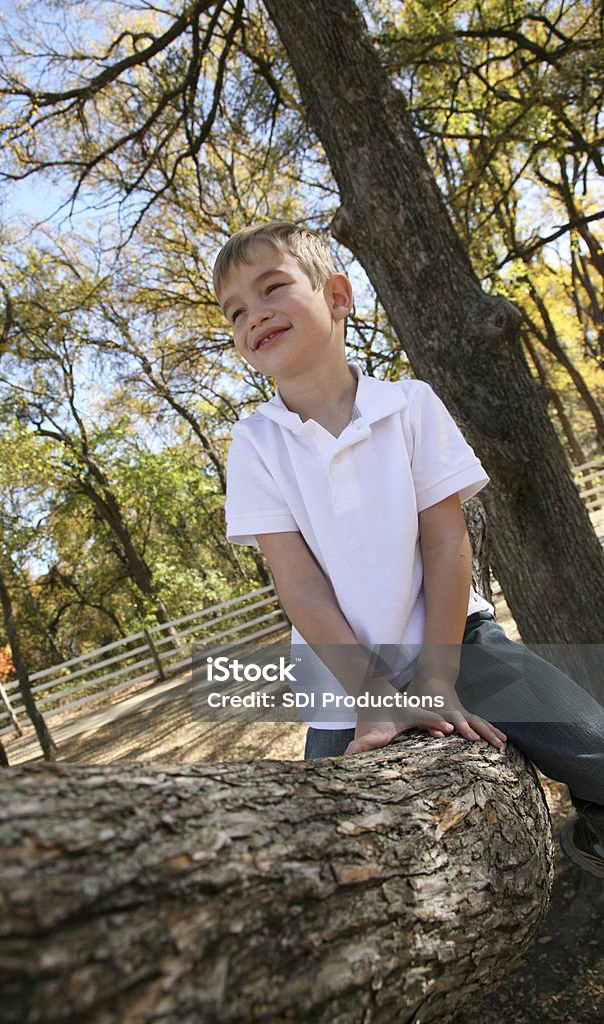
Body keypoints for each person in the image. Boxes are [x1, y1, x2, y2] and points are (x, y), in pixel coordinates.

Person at [214, 220, 604, 878]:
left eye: (271, 289)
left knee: (594, 744)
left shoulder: (408, 405)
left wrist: (436, 674)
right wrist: (370, 693)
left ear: (337, 296)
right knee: (330, 844)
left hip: (458, 642)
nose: (253, 316)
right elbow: (297, 583)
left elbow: (446, 542)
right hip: (341, 679)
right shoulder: (255, 444)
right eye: (235, 313)